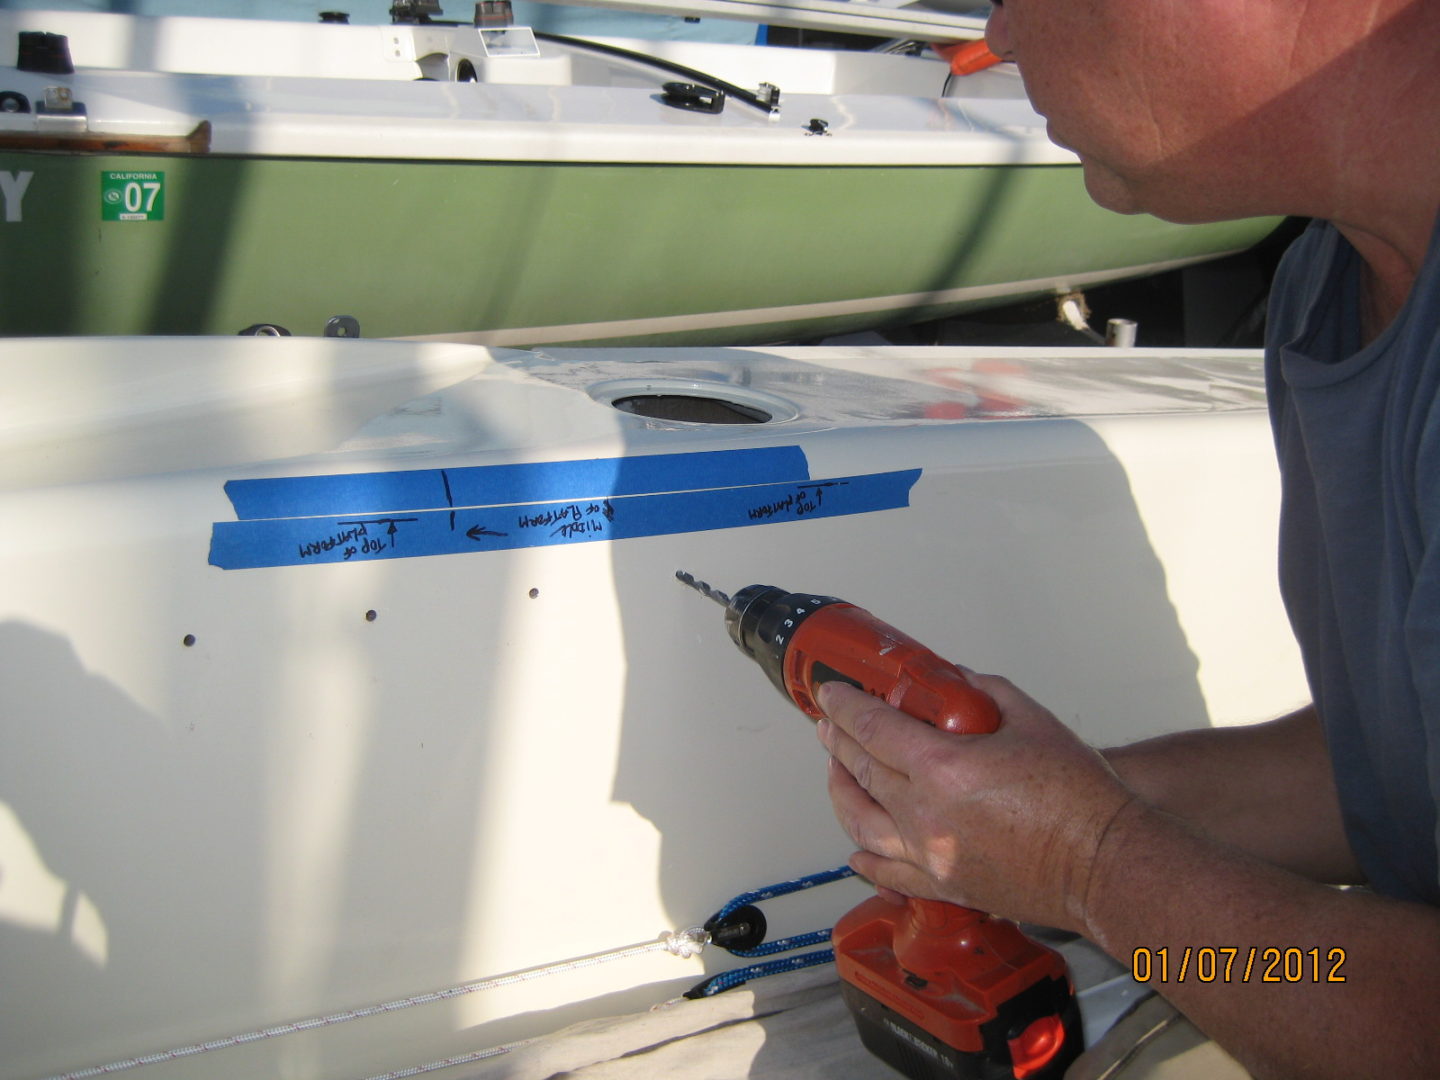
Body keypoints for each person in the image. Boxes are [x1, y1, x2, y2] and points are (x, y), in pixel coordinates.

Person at [813, 1, 1440, 1076]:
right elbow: (1401, 769)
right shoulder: (1334, 284)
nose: (1000, 40)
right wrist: (1040, 815)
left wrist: (1093, 866)